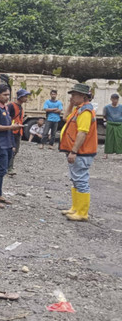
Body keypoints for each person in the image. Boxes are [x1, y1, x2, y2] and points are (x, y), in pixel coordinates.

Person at [59, 83, 98, 221]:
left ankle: (82, 213)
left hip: (82, 152)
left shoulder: (85, 112)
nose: (72, 97)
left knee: (81, 180)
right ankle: (75, 208)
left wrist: (74, 151)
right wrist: (70, 104)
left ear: (83, 96)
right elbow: (65, 118)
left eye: (74, 95)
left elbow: (82, 133)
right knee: (75, 179)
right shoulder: (78, 109)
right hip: (77, 151)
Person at [0, 84, 24, 208]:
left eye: (8, 95)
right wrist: (11, 127)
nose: (7, 97)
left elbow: (8, 127)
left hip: (7, 143)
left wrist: (12, 144)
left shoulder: (5, 108)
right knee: (0, 170)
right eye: (5, 95)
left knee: (4, 170)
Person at [7, 89, 31, 175]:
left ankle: (8, 166)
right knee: (12, 150)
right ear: (20, 97)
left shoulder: (20, 107)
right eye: (25, 96)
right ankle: (9, 168)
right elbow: (7, 118)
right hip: (12, 131)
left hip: (18, 131)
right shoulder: (11, 106)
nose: (26, 98)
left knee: (15, 150)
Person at [103, 93, 122, 158]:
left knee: (120, 138)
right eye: (113, 99)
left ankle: (120, 152)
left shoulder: (121, 107)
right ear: (111, 99)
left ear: (118, 100)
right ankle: (106, 154)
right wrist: (108, 121)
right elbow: (105, 115)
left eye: (116, 99)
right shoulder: (107, 107)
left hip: (119, 124)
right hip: (110, 124)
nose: (115, 101)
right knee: (109, 139)